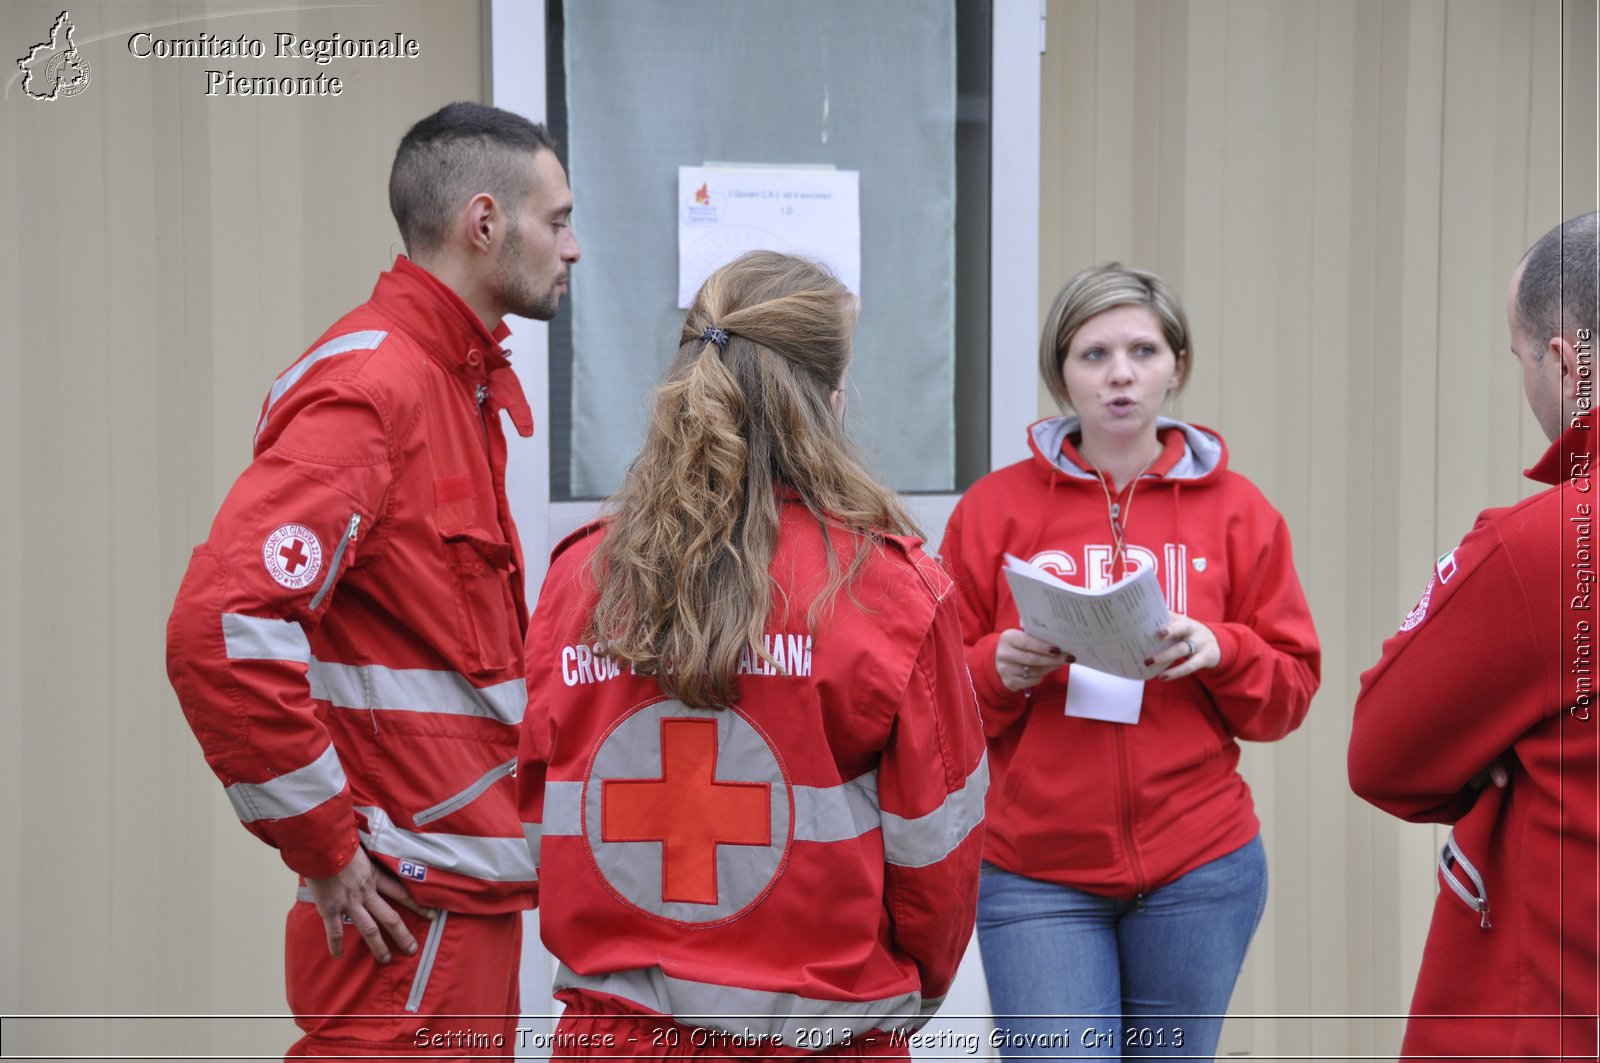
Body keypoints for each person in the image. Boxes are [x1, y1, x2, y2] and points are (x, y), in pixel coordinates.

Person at [165, 101, 579, 1058]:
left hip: (448, 911)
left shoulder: (448, 380)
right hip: (407, 929)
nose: (573, 247)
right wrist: (329, 845)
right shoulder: (376, 389)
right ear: (486, 223)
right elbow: (223, 623)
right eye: (556, 220)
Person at [517, 251, 986, 1060]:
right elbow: (936, 859)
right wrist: (897, 1001)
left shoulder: (578, 578)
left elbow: (542, 817)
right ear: (830, 401)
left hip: (613, 1039)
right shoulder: (889, 591)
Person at [940, 263, 1320, 1060]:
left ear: (1177, 365)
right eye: (1093, 354)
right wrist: (994, 668)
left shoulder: (1240, 510)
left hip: (1200, 868)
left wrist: (1225, 648)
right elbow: (936, 699)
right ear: (1060, 372)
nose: (1120, 374)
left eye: (1143, 350)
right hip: (1035, 870)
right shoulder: (993, 508)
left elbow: (1287, 695)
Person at [1349, 212, 1600, 1060]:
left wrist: (1498, 745)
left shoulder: (1545, 547)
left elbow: (1383, 753)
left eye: (1519, 357)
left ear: (1564, 362)